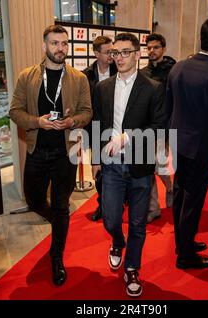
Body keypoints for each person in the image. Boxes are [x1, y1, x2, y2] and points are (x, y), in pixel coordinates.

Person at [9, 25, 92, 286]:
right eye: (55, 43)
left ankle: (57, 257)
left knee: (61, 205)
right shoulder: (27, 76)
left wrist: (72, 122)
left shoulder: (78, 78)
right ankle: (58, 221)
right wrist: (37, 121)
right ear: (44, 46)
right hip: (36, 151)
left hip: (65, 154)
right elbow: (14, 111)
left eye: (64, 43)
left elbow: (87, 112)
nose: (60, 48)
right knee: (34, 200)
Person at [92, 33, 165, 297]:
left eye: (124, 52)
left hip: (140, 166)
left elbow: (159, 127)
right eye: (115, 53)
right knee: (110, 219)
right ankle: (116, 241)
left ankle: (132, 267)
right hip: (111, 164)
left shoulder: (153, 88)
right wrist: (95, 159)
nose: (119, 58)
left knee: (137, 223)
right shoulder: (103, 87)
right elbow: (97, 124)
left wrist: (127, 137)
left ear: (137, 54)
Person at [167, 17, 208, 269]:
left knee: (180, 195)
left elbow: (168, 107)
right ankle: (185, 255)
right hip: (201, 148)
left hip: (177, 143)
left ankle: (182, 243)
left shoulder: (178, 67)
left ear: (200, 37)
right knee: (192, 201)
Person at [140, 33, 176, 223]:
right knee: (148, 168)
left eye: (156, 47)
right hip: (147, 128)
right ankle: (153, 208)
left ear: (163, 49)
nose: (152, 51)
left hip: (166, 127)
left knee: (160, 167)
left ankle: (170, 189)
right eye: (149, 47)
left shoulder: (174, 71)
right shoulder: (143, 72)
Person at [82, 36, 118, 222]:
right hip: (95, 129)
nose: (111, 55)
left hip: (117, 129)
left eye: (113, 51)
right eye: (107, 52)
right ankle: (103, 205)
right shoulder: (85, 75)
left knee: (116, 169)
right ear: (96, 53)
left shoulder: (119, 70)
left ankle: (116, 202)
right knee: (98, 170)